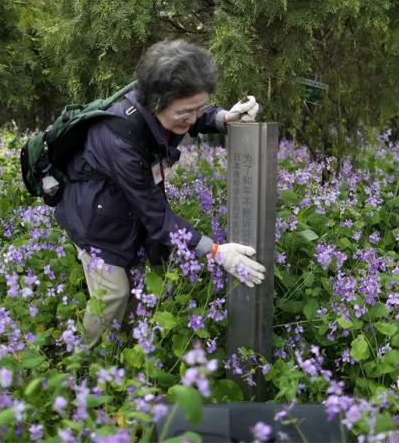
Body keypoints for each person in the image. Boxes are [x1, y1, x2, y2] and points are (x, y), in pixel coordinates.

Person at [54, 39, 266, 347]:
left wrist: (223, 118)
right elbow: (157, 218)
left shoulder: (166, 110)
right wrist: (217, 252)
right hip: (93, 219)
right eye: (186, 112)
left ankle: (121, 356)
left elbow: (191, 116)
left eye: (199, 108)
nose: (193, 119)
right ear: (156, 103)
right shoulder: (120, 140)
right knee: (113, 293)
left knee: (135, 290)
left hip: (122, 208)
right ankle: (82, 361)